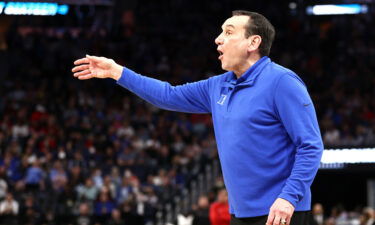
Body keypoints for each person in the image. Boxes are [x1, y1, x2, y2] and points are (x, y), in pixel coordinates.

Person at [72, 10, 323, 225]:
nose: (218, 39)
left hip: (281, 211)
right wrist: (118, 72)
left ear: (253, 42)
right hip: (241, 212)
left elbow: (310, 145)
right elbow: (168, 95)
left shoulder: (282, 82)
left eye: (228, 32)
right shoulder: (219, 85)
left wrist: (289, 197)